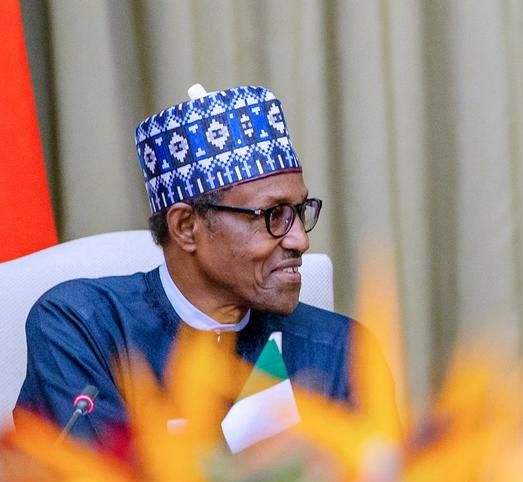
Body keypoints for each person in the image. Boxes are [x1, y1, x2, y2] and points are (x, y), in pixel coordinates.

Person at [15, 84, 372, 450]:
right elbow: (94, 478)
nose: (300, 240)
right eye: (273, 215)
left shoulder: (342, 351)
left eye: (299, 211)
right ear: (186, 227)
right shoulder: (83, 325)